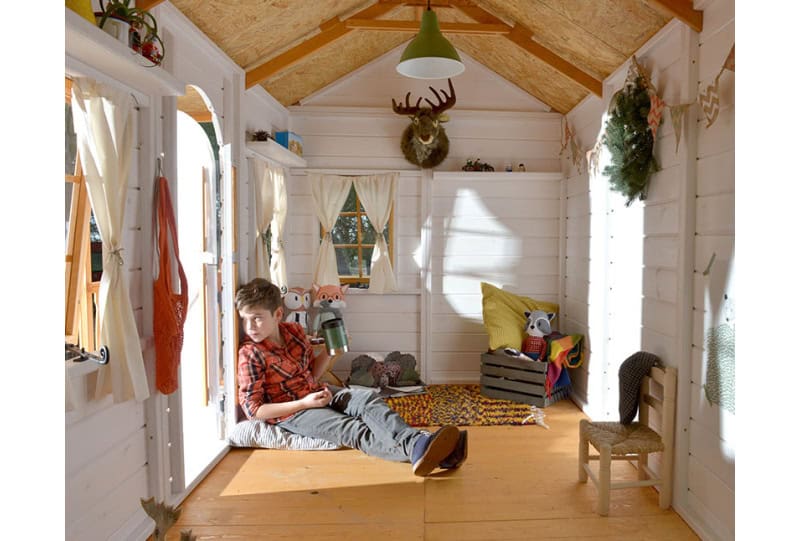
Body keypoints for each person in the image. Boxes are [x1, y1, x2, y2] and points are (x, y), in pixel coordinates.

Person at [235, 278, 468, 476]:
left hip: (316, 391)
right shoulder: (250, 354)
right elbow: (254, 411)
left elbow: (311, 373)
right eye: (244, 319)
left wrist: (330, 350)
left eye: (256, 318)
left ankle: (426, 448)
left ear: (277, 314)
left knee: (366, 400)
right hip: (291, 411)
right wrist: (304, 403)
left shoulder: (294, 333)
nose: (249, 326)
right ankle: (431, 451)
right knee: (352, 429)